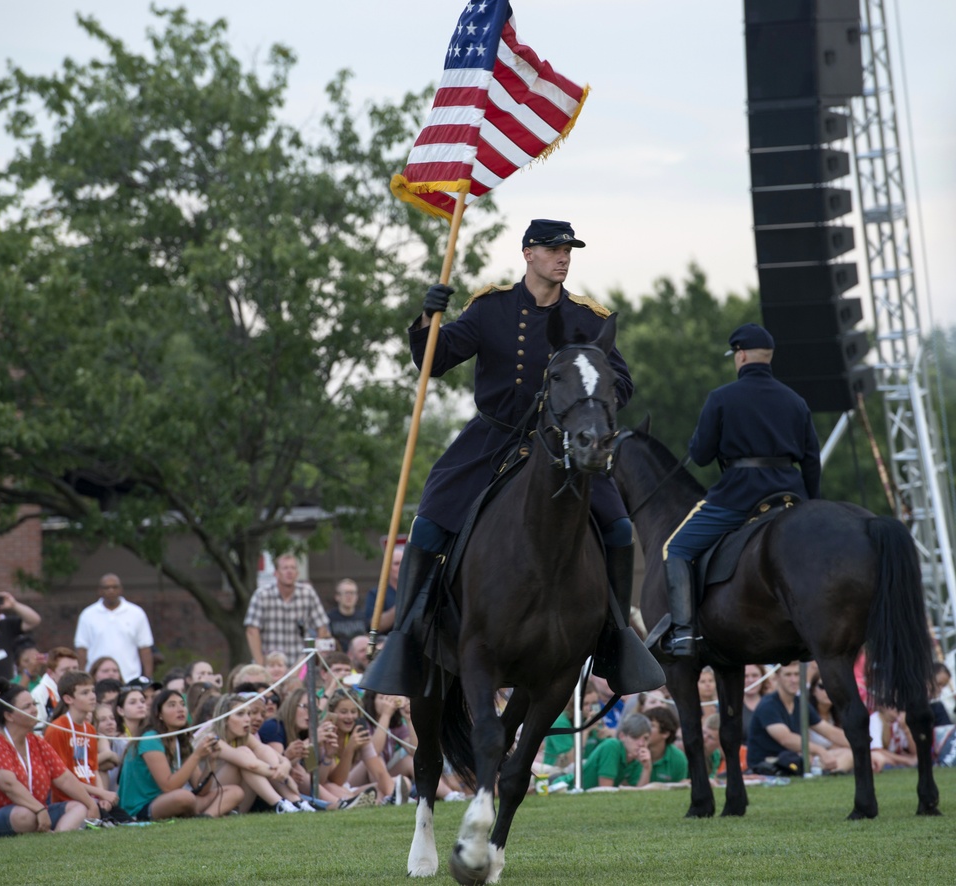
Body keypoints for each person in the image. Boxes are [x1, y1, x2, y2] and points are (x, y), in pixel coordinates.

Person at [363, 219, 640, 697]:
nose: (563, 257)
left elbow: (623, 383)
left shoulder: (589, 318)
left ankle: (616, 637)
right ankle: (405, 637)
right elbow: (437, 360)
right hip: (491, 440)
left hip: (564, 449)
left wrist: (591, 405)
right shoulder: (490, 308)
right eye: (554, 248)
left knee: (618, 528)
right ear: (528, 253)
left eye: (568, 249)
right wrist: (429, 321)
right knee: (428, 524)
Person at [659, 323, 821, 658]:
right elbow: (811, 461)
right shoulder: (796, 401)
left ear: (741, 355)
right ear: (769, 357)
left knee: (676, 548)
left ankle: (685, 633)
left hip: (739, 497)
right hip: (790, 497)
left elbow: (701, 456)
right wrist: (810, 503)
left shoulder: (721, 398)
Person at [0, 680, 99, 836]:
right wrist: (39, 809)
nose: (34, 710)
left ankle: (57, 839)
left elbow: (64, 778)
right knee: (25, 815)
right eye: (27, 707)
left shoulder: (37, 742)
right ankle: (46, 831)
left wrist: (90, 804)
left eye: (34, 704)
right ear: (9, 715)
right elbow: (9, 785)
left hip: (37, 810)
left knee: (79, 807)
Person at [117, 687, 242, 821]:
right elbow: (168, 787)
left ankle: (205, 817)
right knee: (184, 797)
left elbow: (201, 790)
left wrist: (210, 762)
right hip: (142, 807)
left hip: (174, 800)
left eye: (182, 704)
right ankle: (200, 813)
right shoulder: (151, 739)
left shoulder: (181, 740)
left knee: (235, 791)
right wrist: (196, 756)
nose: (180, 709)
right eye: (172, 705)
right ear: (159, 714)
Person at [746, 662, 847, 775]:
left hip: (794, 759)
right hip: (769, 763)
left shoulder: (800, 702)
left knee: (849, 752)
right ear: (777, 677)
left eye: (797, 674)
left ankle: (825, 771)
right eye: (788, 675)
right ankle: (825, 772)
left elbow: (829, 731)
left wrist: (861, 744)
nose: (793, 680)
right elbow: (786, 739)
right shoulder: (768, 704)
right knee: (846, 756)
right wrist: (821, 751)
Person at [43, 670, 118, 811]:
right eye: (85, 693)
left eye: (92, 691)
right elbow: (61, 778)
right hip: (69, 801)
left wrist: (102, 796)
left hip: (93, 795)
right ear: (68, 699)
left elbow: (93, 770)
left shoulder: (89, 729)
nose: (92, 697)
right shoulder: (57, 729)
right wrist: (101, 793)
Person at [243, 554, 331, 668]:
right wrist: (260, 664)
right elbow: (252, 630)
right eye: (285, 568)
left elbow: (322, 627)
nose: (289, 571)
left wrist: (313, 658)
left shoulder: (308, 593)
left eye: (293, 568)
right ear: (276, 573)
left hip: (300, 665)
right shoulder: (262, 595)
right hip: (270, 664)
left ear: (297, 573)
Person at [74, 573, 155, 682]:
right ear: (99, 591)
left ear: (121, 589)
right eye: (106, 588)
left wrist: (148, 678)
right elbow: (82, 649)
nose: (111, 590)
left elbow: (145, 648)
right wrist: (82, 678)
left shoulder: (136, 613)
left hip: (130, 678)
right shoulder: (87, 615)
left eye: (114, 587)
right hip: (97, 679)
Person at [580, 712, 653, 789]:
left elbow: (640, 796)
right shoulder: (612, 746)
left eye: (645, 738)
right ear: (622, 736)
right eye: (635, 737)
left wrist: (647, 768)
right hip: (570, 790)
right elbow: (605, 790)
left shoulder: (637, 758)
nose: (641, 744)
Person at [31, 646, 79, 724]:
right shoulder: (39, 694)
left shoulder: (82, 691)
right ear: (51, 673)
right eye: (65, 670)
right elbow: (37, 729)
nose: (72, 674)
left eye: (75, 668)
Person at [643, 705, 689, 783]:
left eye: (651, 726)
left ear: (665, 733)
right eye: (644, 724)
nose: (645, 729)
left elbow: (678, 790)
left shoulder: (678, 759)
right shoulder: (634, 752)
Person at [364, 547, 403, 636]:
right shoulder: (376, 594)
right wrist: (402, 603)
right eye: (396, 564)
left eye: (403, 563)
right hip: (388, 644)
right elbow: (375, 625)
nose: (401, 567)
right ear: (387, 567)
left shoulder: (417, 591)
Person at [327, 577, 368, 650]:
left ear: (357, 597)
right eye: (346, 593)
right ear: (337, 597)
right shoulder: (329, 618)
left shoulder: (364, 617)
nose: (349, 596)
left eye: (352, 593)